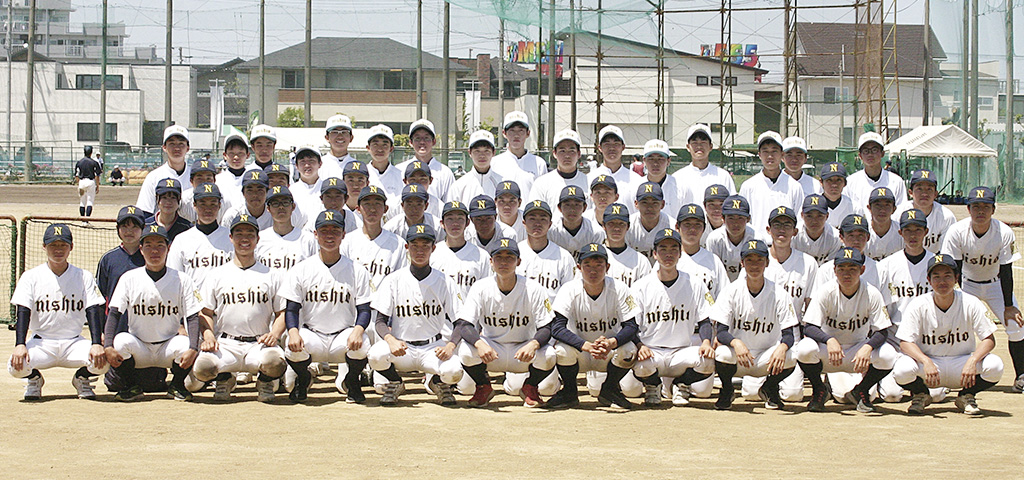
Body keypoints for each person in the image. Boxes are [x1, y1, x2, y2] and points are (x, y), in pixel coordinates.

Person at [190, 214, 287, 402]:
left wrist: (274, 334)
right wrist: (208, 335)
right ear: (230, 238)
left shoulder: (271, 274)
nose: (244, 239)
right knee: (202, 369)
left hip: (259, 343)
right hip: (226, 343)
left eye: (250, 234)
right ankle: (224, 378)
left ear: (258, 239)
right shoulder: (217, 274)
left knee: (275, 363)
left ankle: (265, 381)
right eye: (239, 233)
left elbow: (281, 312)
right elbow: (206, 312)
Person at [280, 210, 374, 403]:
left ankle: (352, 381)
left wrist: (357, 330)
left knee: (363, 342)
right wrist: (293, 332)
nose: (329, 235)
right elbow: (291, 309)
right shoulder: (301, 269)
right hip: (312, 334)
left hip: (343, 334)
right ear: (315, 234)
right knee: (291, 346)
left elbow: (364, 310)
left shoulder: (357, 270)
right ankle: (304, 377)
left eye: (335, 230)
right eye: (324, 230)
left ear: (343, 235)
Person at [892, 254, 1004, 415]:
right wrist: (925, 360)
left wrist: (973, 360)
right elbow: (905, 342)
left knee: (995, 365)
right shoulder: (918, 304)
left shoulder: (970, 302)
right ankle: (921, 394)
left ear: (956, 278)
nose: (942, 281)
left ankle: (966, 395)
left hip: (962, 363)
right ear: (929, 281)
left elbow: (989, 339)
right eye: (936, 276)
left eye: (947, 276)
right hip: (930, 365)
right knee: (902, 370)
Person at [368, 223, 465, 406]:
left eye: (425, 246)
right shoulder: (393, 280)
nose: (420, 251)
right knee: (375, 355)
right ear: (407, 247)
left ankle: (437, 383)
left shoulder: (444, 281)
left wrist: (450, 346)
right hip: (402, 347)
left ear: (433, 248)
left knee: (454, 371)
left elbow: (460, 322)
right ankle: (396, 382)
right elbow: (380, 321)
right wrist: (390, 340)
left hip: (432, 348)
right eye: (415, 245)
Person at [8, 224, 109, 400]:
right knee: (15, 365)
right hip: (42, 343)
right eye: (53, 245)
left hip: (74, 343)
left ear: (71, 247)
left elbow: (93, 308)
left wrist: (96, 342)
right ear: (44, 247)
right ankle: (34, 380)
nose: (58, 249)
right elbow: (23, 310)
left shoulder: (82, 276)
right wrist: (20, 344)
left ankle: (81, 378)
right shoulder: (31, 276)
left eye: (63, 245)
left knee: (104, 359)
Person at [454, 238, 557, 407]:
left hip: (523, 348)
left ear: (518, 261)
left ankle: (531, 387)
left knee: (549, 355)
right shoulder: (481, 287)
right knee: (466, 350)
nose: (504, 262)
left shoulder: (533, 288)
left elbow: (547, 326)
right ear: (491, 262)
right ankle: (483, 387)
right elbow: (465, 325)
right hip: (492, 348)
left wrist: (534, 344)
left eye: (509, 257)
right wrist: (480, 344)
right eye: (498, 257)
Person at [103, 224, 201, 401]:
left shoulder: (182, 279)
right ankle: (131, 386)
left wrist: (194, 348)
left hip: (168, 346)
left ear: (168, 248)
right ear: (141, 249)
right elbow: (115, 313)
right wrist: (108, 345)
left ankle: (177, 385)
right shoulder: (129, 278)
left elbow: (193, 316)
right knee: (119, 342)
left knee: (188, 344)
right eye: (148, 245)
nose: (154, 251)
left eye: (160, 245)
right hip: (139, 346)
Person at [940, 186, 1024, 393]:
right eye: (975, 206)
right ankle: (950, 374)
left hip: (995, 284)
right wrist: (956, 299)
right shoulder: (958, 231)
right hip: (966, 284)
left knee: (1016, 325)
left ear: (993, 210)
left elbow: (1006, 271)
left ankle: (1021, 375)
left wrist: (1008, 306)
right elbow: (954, 269)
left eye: (985, 207)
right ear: (968, 209)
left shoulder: (1003, 232)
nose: (980, 211)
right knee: (955, 327)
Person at [795, 247, 896, 413]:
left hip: (857, 352)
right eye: (841, 269)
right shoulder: (826, 291)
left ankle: (861, 390)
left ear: (862, 270)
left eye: (852, 269)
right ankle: (819, 390)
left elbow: (882, 330)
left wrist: (868, 346)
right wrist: (829, 340)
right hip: (829, 351)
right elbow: (810, 327)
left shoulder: (872, 293)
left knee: (888, 354)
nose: (846, 274)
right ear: (834, 271)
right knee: (805, 348)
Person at [545, 243, 640, 409]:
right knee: (560, 350)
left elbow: (631, 326)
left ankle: (609, 390)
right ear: (579, 268)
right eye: (587, 265)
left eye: (598, 265)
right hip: (580, 351)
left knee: (629, 349)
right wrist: (585, 345)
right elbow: (557, 327)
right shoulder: (569, 289)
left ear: (607, 267)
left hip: (608, 351)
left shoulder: (620, 288)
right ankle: (569, 393)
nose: (593, 271)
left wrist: (612, 342)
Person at [631, 229, 715, 406]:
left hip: (682, 351)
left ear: (680, 253)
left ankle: (681, 383)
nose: (668, 254)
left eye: (673, 249)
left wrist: (706, 342)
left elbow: (705, 319)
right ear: (654, 254)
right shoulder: (641, 287)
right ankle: (653, 385)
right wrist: (639, 346)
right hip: (652, 350)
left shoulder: (695, 284)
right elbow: (629, 325)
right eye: (663, 249)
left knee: (709, 361)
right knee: (637, 364)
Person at [711, 239, 798, 410]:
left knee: (791, 355)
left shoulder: (779, 293)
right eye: (749, 260)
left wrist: (781, 348)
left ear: (767, 262)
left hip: (767, 356)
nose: (754, 264)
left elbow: (789, 334)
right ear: (742, 263)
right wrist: (736, 343)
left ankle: (770, 387)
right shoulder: (731, 290)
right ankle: (727, 390)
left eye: (759, 259)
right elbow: (721, 332)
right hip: (739, 357)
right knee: (721, 353)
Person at [166, 183, 233, 289]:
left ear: (219, 205)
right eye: (202, 204)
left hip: (224, 301)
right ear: (194, 205)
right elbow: (173, 278)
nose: (208, 209)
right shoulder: (181, 240)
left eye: (213, 204)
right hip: (192, 302)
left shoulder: (231, 238)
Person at [340, 186, 408, 288]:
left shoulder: (398, 243)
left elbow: (402, 281)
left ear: (386, 209)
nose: (372, 209)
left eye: (377, 204)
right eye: (367, 204)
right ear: (358, 209)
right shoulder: (347, 241)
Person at [739, 131, 805, 235]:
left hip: (785, 245)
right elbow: (743, 219)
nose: (770, 156)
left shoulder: (794, 186)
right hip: (756, 246)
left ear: (782, 154)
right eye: (765, 151)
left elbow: (799, 220)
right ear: (759, 155)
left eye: (774, 151)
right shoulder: (748, 186)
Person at [451, 129, 532, 205]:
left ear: (493, 152)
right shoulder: (459, 185)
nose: (482, 155)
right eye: (477, 151)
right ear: (469, 153)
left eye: (486, 151)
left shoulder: (502, 183)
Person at [431, 200, 490, 299]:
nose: (455, 223)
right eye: (450, 219)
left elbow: (487, 292)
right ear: (442, 223)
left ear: (467, 222)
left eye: (460, 218)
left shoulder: (482, 256)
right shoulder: (433, 254)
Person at [517, 200, 576, 297]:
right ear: (524, 223)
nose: (537, 224)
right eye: (532, 219)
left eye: (543, 219)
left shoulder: (564, 257)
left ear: (550, 224)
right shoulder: (514, 253)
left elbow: (570, 295)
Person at [255, 185, 317, 273]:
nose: (281, 207)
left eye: (285, 202)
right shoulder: (259, 239)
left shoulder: (308, 240)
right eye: (275, 203)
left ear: (293, 206)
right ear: (268, 208)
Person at [894, 169, 956, 253]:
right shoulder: (898, 213)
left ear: (935, 194)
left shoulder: (946, 216)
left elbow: (946, 251)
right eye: (919, 189)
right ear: (910, 192)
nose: (924, 194)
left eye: (929, 189)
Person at [135, 125, 193, 216]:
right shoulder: (153, 177)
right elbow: (145, 212)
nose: (177, 148)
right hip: (161, 229)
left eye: (181, 144)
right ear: (164, 147)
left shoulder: (195, 176)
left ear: (188, 148)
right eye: (172, 144)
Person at [673, 123, 737, 203]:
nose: (699, 146)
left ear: (711, 146)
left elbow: (731, 205)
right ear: (688, 147)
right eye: (694, 142)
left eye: (703, 141)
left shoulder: (723, 176)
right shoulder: (677, 177)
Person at [396, 119, 456, 202]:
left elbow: (449, 203)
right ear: (410, 142)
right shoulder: (399, 170)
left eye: (426, 138)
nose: (422, 142)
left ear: (434, 141)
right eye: (417, 138)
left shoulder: (445, 172)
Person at [527, 129, 588, 208]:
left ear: (579, 154)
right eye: (562, 151)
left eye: (572, 151)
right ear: (554, 153)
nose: (567, 156)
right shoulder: (542, 183)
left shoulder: (588, 182)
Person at [589, 125, 642, 213]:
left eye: (616, 144)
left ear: (623, 147)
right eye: (607, 144)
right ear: (600, 148)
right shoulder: (589, 178)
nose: (612, 148)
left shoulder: (636, 180)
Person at [846, 132, 906, 206]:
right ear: (860, 155)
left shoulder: (896, 181)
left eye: (874, 150)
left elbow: (901, 209)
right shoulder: (850, 182)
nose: (870, 154)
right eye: (866, 151)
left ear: (882, 153)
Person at [705, 194, 757, 281]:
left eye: (740, 218)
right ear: (723, 218)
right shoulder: (714, 239)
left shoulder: (756, 238)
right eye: (731, 218)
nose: (735, 223)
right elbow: (714, 271)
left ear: (748, 219)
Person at [601, 203, 652, 288]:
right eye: (611, 223)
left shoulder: (640, 261)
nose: (616, 228)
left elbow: (646, 292)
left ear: (628, 226)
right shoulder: (594, 258)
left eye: (621, 223)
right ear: (603, 225)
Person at [548, 185, 604, 258]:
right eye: (567, 205)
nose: (572, 209)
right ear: (559, 208)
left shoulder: (596, 232)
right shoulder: (551, 231)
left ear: (584, 207)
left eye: (577, 205)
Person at [491, 111, 548, 179]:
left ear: (528, 133)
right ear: (504, 133)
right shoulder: (494, 163)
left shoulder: (539, 163)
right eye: (512, 130)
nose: (516, 135)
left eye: (521, 130)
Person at [626, 181, 674, 263]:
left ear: (662, 204)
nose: (650, 208)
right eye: (644, 203)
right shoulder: (627, 226)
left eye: (655, 203)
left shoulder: (671, 226)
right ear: (636, 204)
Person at [639, 139, 684, 221]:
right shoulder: (634, 186)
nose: (655, 163)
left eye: (660, 159)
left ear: (668, 161)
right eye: (651, 159)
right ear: (644, 161)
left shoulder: (681, 187)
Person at [792, 194, 842, 265]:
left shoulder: (835, 237)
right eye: (809, 216)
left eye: (819, 216)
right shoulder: (793, 235)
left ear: (827, 216)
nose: (814, 221)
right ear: (802, 215)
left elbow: (831, 267)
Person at [819, 162, 864, 229]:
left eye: (839, 180)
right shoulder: (812, 206)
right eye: (829, 180)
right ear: (821, 182)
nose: (834, 184)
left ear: (845, 183)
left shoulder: (855, 208)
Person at [145, 178, 192, 243]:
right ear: (157, 199)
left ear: (179, 200)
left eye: (173, 198)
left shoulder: (187, 227)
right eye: (164, 198)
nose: (168, 202)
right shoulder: (146, 225)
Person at [863, 187, 903, 261]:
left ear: (894, 209)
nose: (882, 210)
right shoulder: (862, 231)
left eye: (887, 205)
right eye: (877, 205)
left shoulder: (902, 232)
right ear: (869, 208)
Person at [364, 124, 405, 197]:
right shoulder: (362, 175)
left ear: (391, 149)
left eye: (385, 145)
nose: (380, 149)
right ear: (368, 148)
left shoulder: (401, 176)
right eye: (375, 144)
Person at [214, 132, 251, 211]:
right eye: (231, 153)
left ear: (247, 155)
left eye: (240, 153)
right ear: (225, 155)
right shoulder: (217, 181)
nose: (236, 157)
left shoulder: (252, 178)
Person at [290, 145, 326, 220]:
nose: (307, 165)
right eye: (302, 161)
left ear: (320, 164)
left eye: (311, 161)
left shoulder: (327, 188)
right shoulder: (291, 191)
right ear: (296, 166)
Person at [74, 145, 102, 217]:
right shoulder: (94, 163)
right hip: (90, 182)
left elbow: (76, 175)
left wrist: (79, 183)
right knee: (89, 201)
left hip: (82, 182)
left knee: (82, 202)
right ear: (91, 152)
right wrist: (97, 185)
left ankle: (83, 220)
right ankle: (87, 220)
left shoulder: (79, 162)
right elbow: (97, 175)